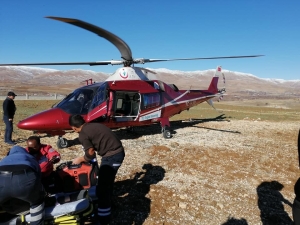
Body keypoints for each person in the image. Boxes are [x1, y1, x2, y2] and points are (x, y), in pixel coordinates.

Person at [69, 114, 125, 225]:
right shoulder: (93, 125)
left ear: (73, 128)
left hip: (113, 156)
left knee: (102, 189)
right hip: (117, 152)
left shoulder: (83, 134)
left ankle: (103, 219)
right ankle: (110, 204)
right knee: (107, 182)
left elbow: (90, 153)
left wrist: (80, 159)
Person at [0, 145, 45, 225]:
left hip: (1, 178)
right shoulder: (29, 157)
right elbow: (38, 177)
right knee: (37, 202)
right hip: (24, 177)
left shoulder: (4, 159)